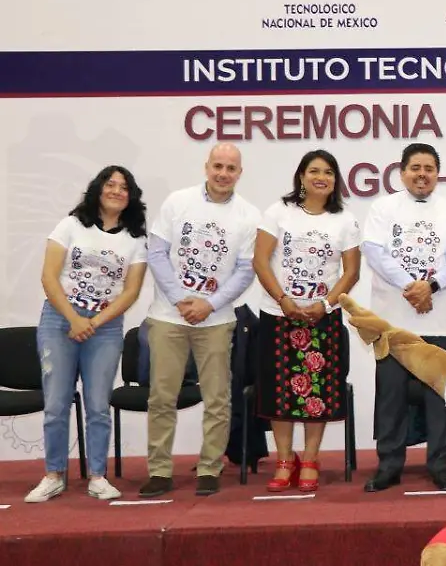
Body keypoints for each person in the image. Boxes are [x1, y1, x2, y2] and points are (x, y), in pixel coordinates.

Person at [140, 144, 261, 497]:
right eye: (217, 166)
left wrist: (210, 304)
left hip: (217, 320)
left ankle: (210, 467)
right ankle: (159, 471)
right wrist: (181, 299)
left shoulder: (249, 216)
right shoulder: (177, 202)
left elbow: (245, 271)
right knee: (161, 398)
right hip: (168, 317)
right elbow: (156, 253)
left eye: (231, 168)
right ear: (206, 167)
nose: (223, 174)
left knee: (218, 399)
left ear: (240, 173)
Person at [25, 166, 148, 503]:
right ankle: (54, 475)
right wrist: (74, 319)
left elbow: (131, 291)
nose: (116, 191)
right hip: (59, 321)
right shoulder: (70, 225)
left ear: (131, 196)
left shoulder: (135, 240)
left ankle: (97, 476)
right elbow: (49, 277)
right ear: (98, 188)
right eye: (110, 184)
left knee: (97, 405)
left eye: (124, 187)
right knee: (56, 404)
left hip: (105, 328)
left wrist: (94, 322)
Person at [361, 143, 446, 492]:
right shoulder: (383, 208)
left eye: (429, 168)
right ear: (402, 172)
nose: (422, 174)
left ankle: (440, 465)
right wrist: (412, 286)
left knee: (440, 397)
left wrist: (431, 286)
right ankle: (389, 465)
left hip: (436, 320)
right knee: (390, 396)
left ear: (437, 174)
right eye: (415, 168)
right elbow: (375, 252)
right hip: (392, 321)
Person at [253, 150, 361, 492]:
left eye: (328, 172)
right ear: (301, 176)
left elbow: (351, 272)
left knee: (317, 392)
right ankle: (285, 460)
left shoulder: (345, 220)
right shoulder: (278, 212)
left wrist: (326, 305)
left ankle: (311, 458)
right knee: (280, 392)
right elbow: (260, 261)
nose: (321, 177)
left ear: (335, 180)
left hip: (321, 319)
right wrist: (283, 300)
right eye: (314, 171)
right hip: (278, 316)